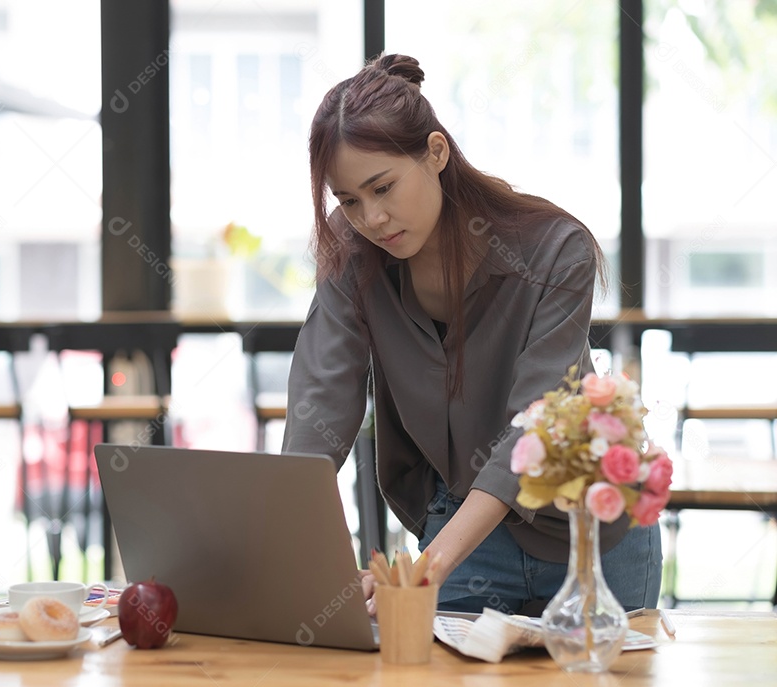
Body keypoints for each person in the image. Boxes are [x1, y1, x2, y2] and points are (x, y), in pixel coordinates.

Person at [282, 54, 662, 615]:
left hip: (591, 534)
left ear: (436, 152)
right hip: (465, 534)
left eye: (383, 187)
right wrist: (303, 561)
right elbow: (321, 402)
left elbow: (532, 427)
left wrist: (424, 569)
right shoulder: (353, 252)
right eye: (349, 200)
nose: (372, 218)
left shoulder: (554, 250)